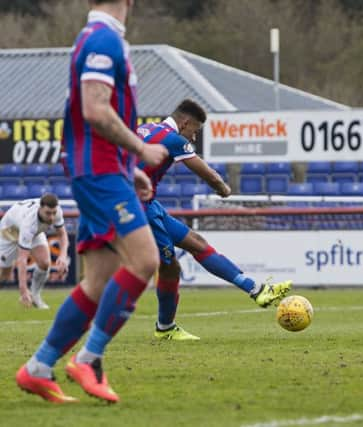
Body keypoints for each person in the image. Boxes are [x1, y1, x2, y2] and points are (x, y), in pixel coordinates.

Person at [16, 0, 168, 404]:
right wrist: (140, 150)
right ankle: (89, 358)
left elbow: (89, 116)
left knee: (99, 281)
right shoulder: (103, 39)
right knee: (146, 260)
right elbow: (95, 110)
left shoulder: (97, 38)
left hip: (105, 169)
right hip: (99, 172)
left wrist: (127, 165)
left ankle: (38, 368)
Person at [137, 99, 292, 340]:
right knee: (170, 268)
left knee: (196, 242)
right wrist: (223, 189)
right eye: (195, 131)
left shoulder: (148, 128)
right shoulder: (174, 139)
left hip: (148, 204)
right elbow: (207, 173)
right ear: (185, 122)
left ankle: (257, 290)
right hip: (137, 208)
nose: (194, 138)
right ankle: (164, 328)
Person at [0, 193, 70, 309]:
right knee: (4, 274)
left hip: (34, 231)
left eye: (53, 213)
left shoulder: (57, 212)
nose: (51, 217)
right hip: (9, 233)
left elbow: (62, 235)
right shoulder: (29, 223)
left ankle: (36, 296)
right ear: (40, 208)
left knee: (45, 263)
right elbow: (22, 259)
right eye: (48, 213)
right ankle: (27, 293)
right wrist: (23, 290)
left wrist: (63, 256)